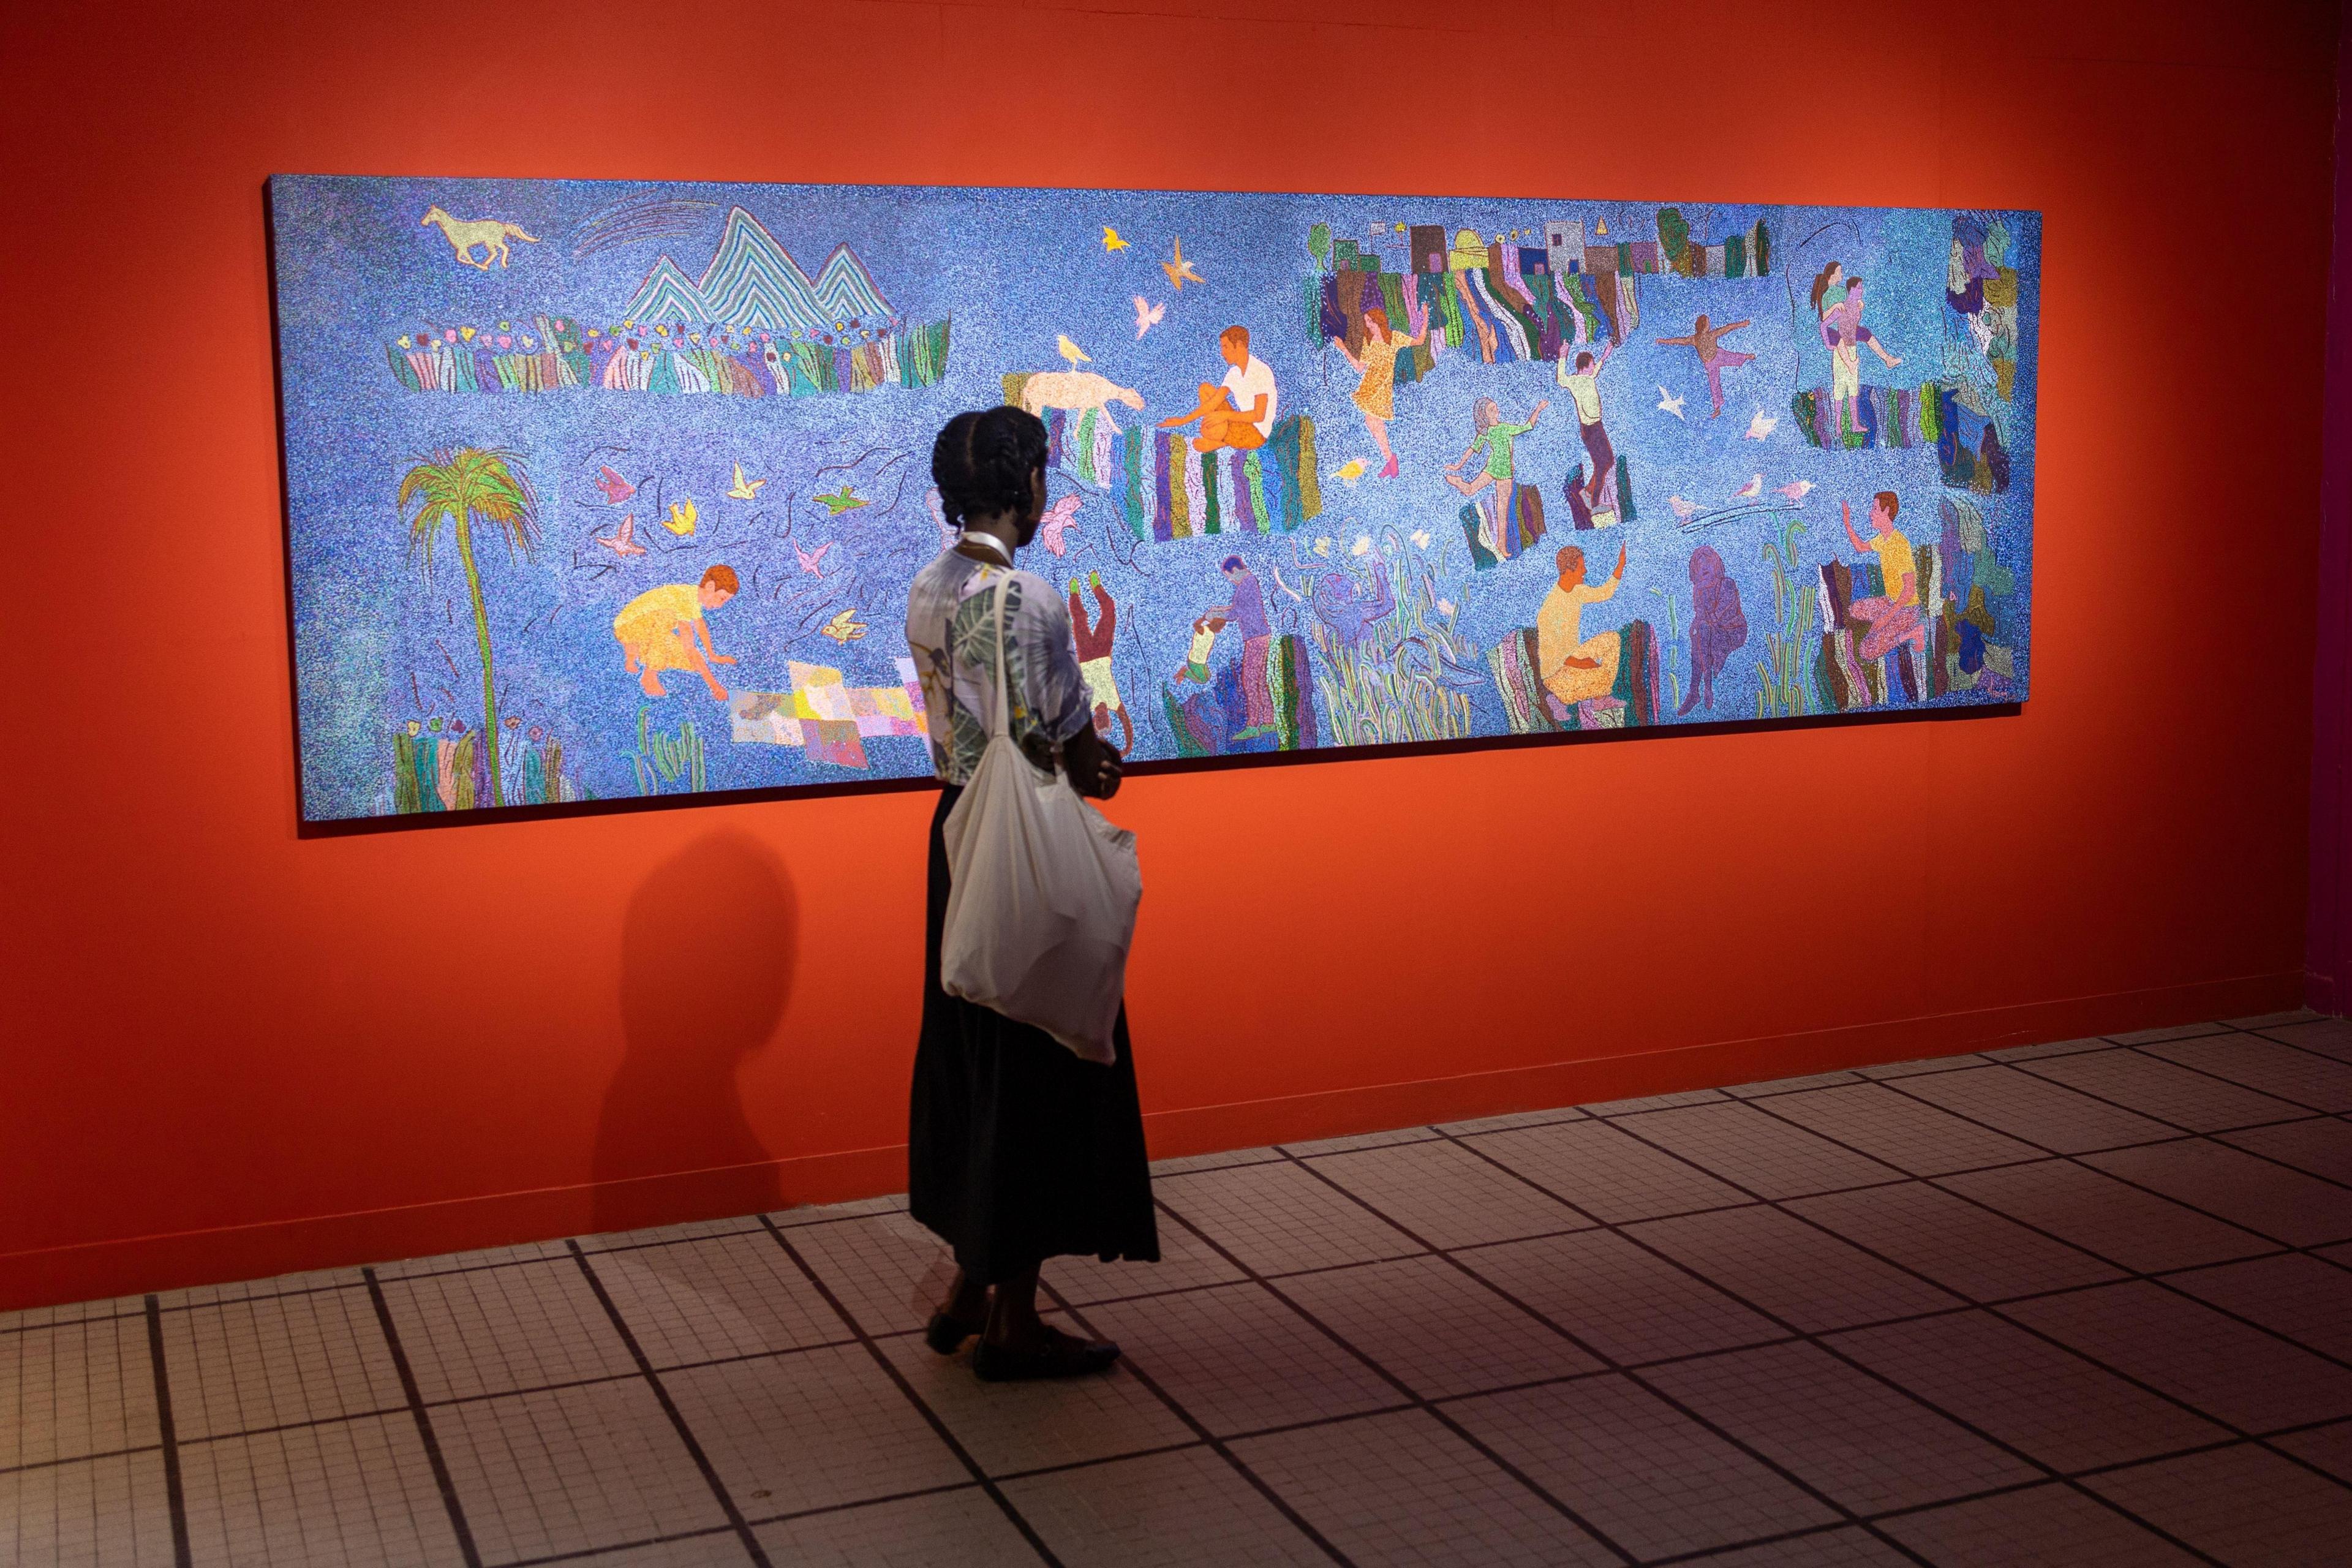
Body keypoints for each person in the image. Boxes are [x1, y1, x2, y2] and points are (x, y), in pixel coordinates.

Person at [902, 406, 1155, 1382]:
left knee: (973, 1055)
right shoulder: (1032, 599)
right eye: (1043, 471)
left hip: (959, 835)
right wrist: (1101, 773)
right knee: (1042, 1061)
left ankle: (975, 1277)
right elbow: (1076, 746)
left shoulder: (930, 588)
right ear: (1025, 487)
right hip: (1027, 846)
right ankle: (1011, 1317)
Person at [612, 565, 738, 702]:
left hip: (644, 631)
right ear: (710, 587)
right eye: (721, 598)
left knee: (688, 662)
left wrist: (712, 655)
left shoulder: (692, 599)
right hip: (630, 626)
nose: (720, 606)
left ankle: (633, 655)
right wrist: (714, 686)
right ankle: (649, 675)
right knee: (667, 619)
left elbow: (701, 628)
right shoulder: (683, 599)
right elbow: (689, 647)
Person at [1330, 307, 1427, 478]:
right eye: (1367, 322)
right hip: (1370, 386)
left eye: (1370, 321)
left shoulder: (1394, 338)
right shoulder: (1369, 341)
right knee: (1372, 423)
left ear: (1379, 321)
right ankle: (1390, 461)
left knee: (1373, 422)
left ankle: (1391, 461)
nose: (1368, 326)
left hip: (1381, 389)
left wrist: (1426, 317)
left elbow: (1419, 341)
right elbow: (1360, 367)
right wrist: (1343, 348)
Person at [1839, 490, 1927, 666]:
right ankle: (1889, 628)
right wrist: (1847, 523)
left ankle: (1914, 632)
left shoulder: (1899, 544)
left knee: (1866, 651)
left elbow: (1909, 590)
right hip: (1890, 601)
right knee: (1855, 610)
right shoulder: (1883, 539)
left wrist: (1885, 618)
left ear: (1886, 511)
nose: (1870, 513)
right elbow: (1861, 548)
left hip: (1908, 610)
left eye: (1874, 509)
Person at [1159, 326, 1279, 453]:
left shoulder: (1260, 371)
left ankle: (1221, 443)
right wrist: (1183, 420)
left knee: (1209, 430)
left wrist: (1224, 415)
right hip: (1240, 425)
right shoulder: (1234, 373)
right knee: (1206, 390)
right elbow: (1213, 403)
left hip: (1257, 434)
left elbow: (1258, 416)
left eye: (1226, 347)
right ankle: (1221, 440)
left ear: (1239, 345)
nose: (1222, 353)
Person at [1536, 543, 1626, 709]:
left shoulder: (1576, 591)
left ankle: (1598, 695)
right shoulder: (1550, 609)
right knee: (1603, 676)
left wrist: (1620, 566)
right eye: (1581, 568)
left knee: (1612, 639)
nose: (1585, 572)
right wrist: (1582, 663)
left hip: (1571, 657)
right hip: (1556, 673)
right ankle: (1559, 698)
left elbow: (1604, 593)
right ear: (1569, 571)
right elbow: (1553, 656)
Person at [1208, 554, 1278, 739]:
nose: (1230, 580)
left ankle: (1253, 724)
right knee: (1260, 682)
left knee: (1249, 681)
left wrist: (1216, 615)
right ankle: (1268, 722)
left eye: (1229, 576)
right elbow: (1236, 608)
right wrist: (1218, 611)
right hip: (1261, 636)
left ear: (1235, 570)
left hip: (1255, 638)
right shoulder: (1250, 582)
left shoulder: (1246, 585)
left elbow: (1234, 613)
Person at [1067, 571, 1133, 751]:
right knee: (1109, 610)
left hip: (1086, 656)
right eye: (1106, 720)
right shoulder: (1114, 703)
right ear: (1110, 718)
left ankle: (1074, 594)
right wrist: (1127, 747)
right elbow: (1127, 724)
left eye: (1099, 721)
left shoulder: (1086, 706)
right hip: (1103, 653)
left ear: (1095, 719)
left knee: (1079, 620)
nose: (1102, 717)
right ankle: (1097, 587)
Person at [1446, 396, 1548, 503]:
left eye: (1495, 407)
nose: (1496, 410)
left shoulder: (1502, 428)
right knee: (1476, 494)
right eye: (1491, 410)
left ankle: (1458, 482)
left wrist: (1538, 409)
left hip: (1500, 468)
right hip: (1499, 468)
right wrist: (1458, 466)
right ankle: (1457, 481)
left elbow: (1527, 428)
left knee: (1477, 493)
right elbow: (1472, 449)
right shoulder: (1490, 431)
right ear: (1485, 416)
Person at [1654, 314, 1755, 419]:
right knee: (1714, 384)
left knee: (1731, 358)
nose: (1710, 324)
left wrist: (1742, 324)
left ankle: (1746, 356)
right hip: (1711, 364)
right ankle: (1717, 408)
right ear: (1704, 326)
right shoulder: (1700, 338)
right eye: (1708, 322)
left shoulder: (1697, 338)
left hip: (1717, 356)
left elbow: (1728, 328)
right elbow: (1679, 341)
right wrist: (1663, 341)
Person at [1555, 340, 1618, 505]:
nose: (1593, 366)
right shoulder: (1576, 381)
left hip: (1597, 426)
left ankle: (1589, 492)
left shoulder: (1590, 377)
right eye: (1591, 364)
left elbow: (1597, 370)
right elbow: (1561, 379)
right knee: (1602, 462)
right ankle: (1594, 502)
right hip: (1590, 428)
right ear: (1585, 366)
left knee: (1608, 461)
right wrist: (1563, 355)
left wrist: (1606, 354)